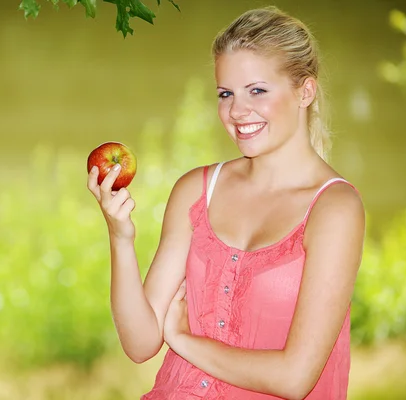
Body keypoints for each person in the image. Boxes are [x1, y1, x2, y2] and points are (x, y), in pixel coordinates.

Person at [87, 6, 365, 400]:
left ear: (305, 91)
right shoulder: (197, 189)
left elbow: (295, 378)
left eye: (257, 91)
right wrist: (120, 236)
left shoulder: (334, 209)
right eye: (226, 94)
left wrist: (183, 341)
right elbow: (140, 343)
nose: (236, 111)